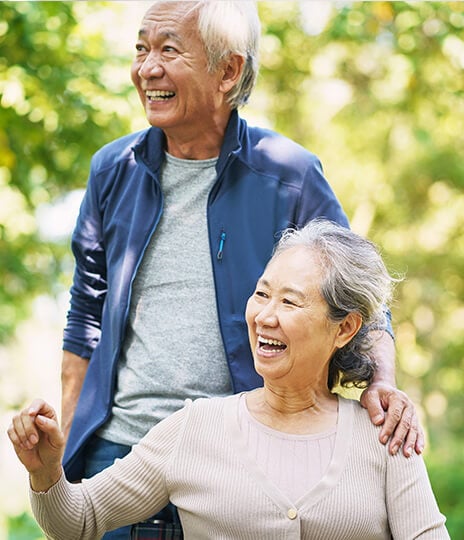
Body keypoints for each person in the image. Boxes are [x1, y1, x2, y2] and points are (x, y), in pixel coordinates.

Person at [60, 1, 422, 538]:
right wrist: (68, 443)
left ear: (228, 71)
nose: (146, 68)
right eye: (141, 49)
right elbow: (86, 311)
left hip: (240, 466)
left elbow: (360, 297)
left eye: (168, 50)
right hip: (119, 455)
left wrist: (382, 382)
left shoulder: (290, 174)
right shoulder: (112, 170)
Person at [9, 219, 448, 539]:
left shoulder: (384, 436)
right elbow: (79, 520)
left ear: (345, 328)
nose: (265, 317)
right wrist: (46, 473)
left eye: (291, 302)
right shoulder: (195, 428)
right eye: (261, 294)